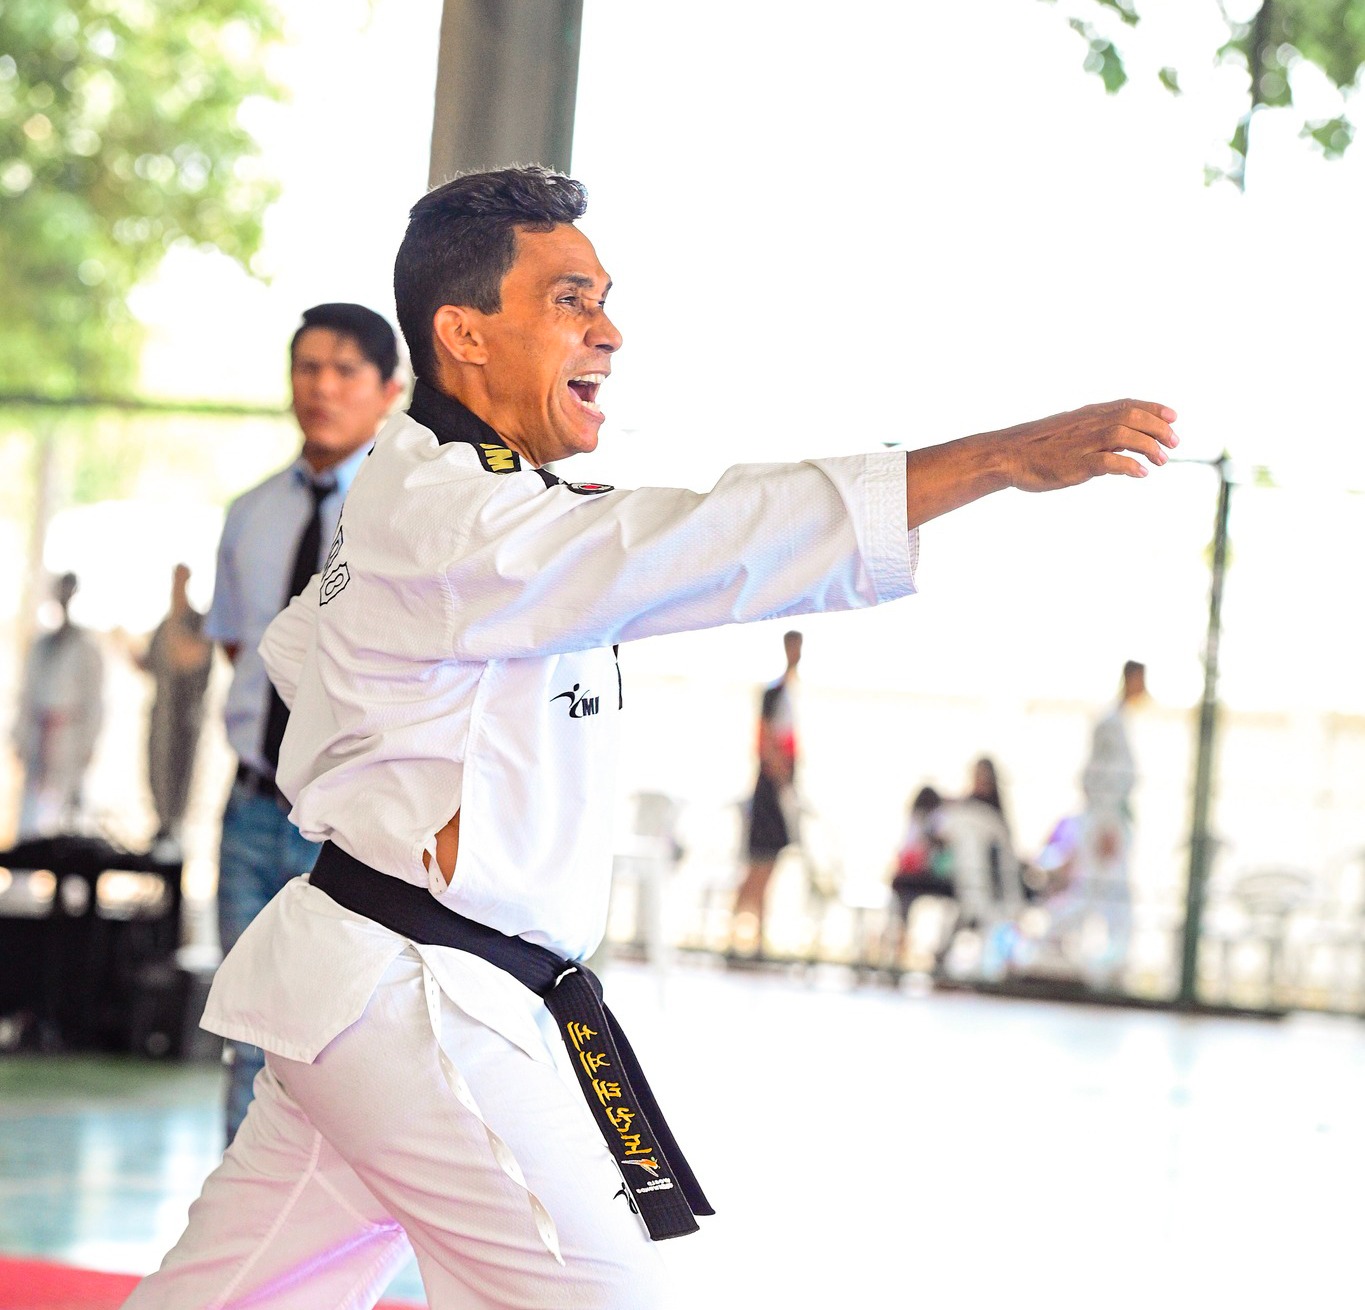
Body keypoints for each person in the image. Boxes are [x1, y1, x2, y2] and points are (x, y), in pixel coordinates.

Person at [125, 165, 1178, 1310]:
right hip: (421, 1000)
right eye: (571, 300)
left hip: (380, 990)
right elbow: (698, 542)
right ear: (463, 333)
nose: (611, 331)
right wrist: (997, 459)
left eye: (605, 298)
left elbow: (302, 650)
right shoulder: (451, 510)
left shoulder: (451, 493)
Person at [204, 302, 402, 1142]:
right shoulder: (249, 514)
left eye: (345, 370)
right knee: (245, 1035)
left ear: (390, 391)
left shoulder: (402, 522)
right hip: (252, 808)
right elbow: (240, 651)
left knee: (348, 1046)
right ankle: (234, 1229)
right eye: (307, 367)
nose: (321, 386)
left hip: (351, 824)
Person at [13, 572, 105, 838]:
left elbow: (94, 702)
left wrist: (88, 744)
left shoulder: (87, 649)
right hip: (39, 741)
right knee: (31, 818)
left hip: (70, 741)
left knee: (68, 821)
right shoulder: (41, 647)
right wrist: (19, 738)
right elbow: (27, 695)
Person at [1073, 658, 1147, 988]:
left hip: (1112, 821)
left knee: (1106, 895)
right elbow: (1098, 777)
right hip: (1106, 824)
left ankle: (1108, 966)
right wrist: (1105, 826)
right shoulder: (1109, 724)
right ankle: (1094, 965)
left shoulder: (1120, 722)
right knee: (1098, 893)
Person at [730, 628, 802, 954]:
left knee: (769, 866)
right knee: (758, 865)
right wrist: (780, 775)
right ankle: (738, 932)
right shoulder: (774, 694)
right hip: (769, 792)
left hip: (779, 792)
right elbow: (764, 742)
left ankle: (756, 935)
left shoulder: (789, 692)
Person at [139, 564, 212, 852]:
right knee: (156, 769)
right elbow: (152, 661)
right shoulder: (166, 622)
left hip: (184, 719)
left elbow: (190, 657)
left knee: (178, 774)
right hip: (162, 714)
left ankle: (175, 827)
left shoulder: (196, 621)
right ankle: (162, 825)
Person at [935, 756, 1025, 981]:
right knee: (964, 919)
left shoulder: (994, 814)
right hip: (968, 881)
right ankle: (943, 963)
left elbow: (1007, 852)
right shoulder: (963, 808)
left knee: (993, 924)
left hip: (996, 883)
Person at [883, 783, 951, 969]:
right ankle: (897, 942)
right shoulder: (918, 822)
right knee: (900, 899)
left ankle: (899, 941)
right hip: (917, 876)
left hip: (932, 875)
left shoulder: (937, 821)